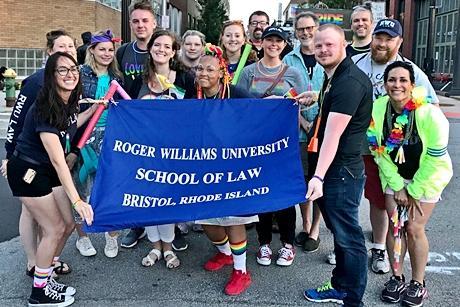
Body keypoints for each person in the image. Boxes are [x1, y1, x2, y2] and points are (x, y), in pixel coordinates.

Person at [6, 52, 97, 306]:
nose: (70, 75)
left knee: (67, 225)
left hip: (44, 170)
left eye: (74, 70)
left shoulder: (66, 100)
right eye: (63, 70)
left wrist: (93, 110)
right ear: (51, 75)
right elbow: (59, 160)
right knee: (54, 228)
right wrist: (77, 200)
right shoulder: (45, 106)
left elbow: (70, 123)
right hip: (28, 171)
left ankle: (45, 273)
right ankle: (39, 293)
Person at [352, 18, 439, 275]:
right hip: (367, 146)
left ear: (399, 41)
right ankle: (380, 247)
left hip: (405, 152)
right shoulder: (357, 65)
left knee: (409, 216)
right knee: (377, 200)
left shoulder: (410, 71)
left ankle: (412, 265)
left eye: (389, 38)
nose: (382, 43)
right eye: (379, 37)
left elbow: (432, 107)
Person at [299, 24, 372, 306]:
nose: (322, 50)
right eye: (318, 45)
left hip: (340, 171)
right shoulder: (334, 78)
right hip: (336, 169)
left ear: (345, 44)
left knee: (348, 236)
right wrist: (314, 97)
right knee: (340, 234)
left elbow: (332, 135)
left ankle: (353, 298)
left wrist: (317, 176)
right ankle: (341, 284)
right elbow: (333, 104)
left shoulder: (349, 82)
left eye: (329, 44)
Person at [368, 61, 452, 306]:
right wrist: (397, 186)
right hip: (395, 178)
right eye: (392, 80)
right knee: (396, 227)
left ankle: (418, 283)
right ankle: (397, 277)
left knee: (413, 228)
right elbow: (377, 149)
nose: (397, 85)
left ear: (412, 85)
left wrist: (412, 190)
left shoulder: (429, 113)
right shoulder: (378, 107)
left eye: (403, 80)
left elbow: (435, 158)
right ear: (384, 84)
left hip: (426, 178)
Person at [2, 29, 77, 280]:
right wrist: (9, 154)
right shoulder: (36, 83)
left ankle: (46, 262)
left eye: (71, 48)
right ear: (49, 53)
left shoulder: (69, 86)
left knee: (58, 224)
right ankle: (34, 263)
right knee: (33, 214)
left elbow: (71, 122)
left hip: (48, 164)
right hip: (29, 161)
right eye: (61, 48)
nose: (67, 52)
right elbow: (16, 120)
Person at [191, 43, 256, 296]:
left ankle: (241, 271)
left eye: (209, 69)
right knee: (206, 219)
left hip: (233, 166)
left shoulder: (237, 93)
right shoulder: (192, 93)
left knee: (233, 217)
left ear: (221, 73)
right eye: (199, 68)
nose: (203, 73)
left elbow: (259, 115)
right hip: (202, 167)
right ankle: (226, 254)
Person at [239, 26, 305, 267]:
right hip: (256, 143)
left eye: (278, 40)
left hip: (284, 144)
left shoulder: (294, 73)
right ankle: (264, 243)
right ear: (262, 43)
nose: (273, 44)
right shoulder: (248, 73)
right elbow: (241, 108)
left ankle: (288, 244)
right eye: (269, 40)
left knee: (285, 195)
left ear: (284, 44)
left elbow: (302, 104)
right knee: (261, 193)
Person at [136, 30, 195, 269]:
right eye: (157, 45)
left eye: (167, 46)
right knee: (149, 199)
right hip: (145, 151)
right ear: (150, 48)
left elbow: (196, 113)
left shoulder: (184, 78)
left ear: (173, 52)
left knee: (168, 200)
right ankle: (154, 246)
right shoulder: (138, 79)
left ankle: (168, 247)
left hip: (174, 152)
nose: (161, 49)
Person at [70, 30, 124, 258]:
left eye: (110, 50)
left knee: (109, 188)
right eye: (102, 49)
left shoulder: (117, 77)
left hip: (110, 137)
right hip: (83, 136)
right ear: (92, 50)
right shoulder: (80, 75)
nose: (107, 54)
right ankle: (82, 237)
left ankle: (111, 236)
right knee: (80, 188)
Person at [116, 0, 157, 249]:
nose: (140, 25)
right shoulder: (123, 52)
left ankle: (169, 224)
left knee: (162, 172)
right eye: (136, 21)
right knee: (135, 175)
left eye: (145, 20)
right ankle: (137, 224)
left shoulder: (163, 48)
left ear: (154, 23)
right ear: (131, 24)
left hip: (159, 125)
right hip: (131, 124)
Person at [283, 11, 324, 253]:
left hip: (325, 131)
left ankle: (315, 228)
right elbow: (286, 98)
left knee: (319, 179)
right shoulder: (288, 59)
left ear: (317, 28)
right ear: (296, 32)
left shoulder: (327, 54)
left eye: (310, 28)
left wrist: (316, 125)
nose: (306, 33)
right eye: (301, 29)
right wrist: (304, 124)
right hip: (297, 132)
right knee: (303, 181)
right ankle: (305, 222)